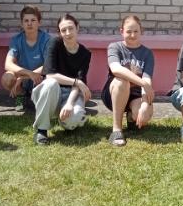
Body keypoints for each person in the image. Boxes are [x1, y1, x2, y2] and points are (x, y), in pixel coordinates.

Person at [32, 14, 92, 145]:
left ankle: (64, 119)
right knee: (50, 83)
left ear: (77, 28)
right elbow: (50, 75)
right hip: (51, 93)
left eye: (71, 28)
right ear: (59, 32)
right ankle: (42, 130)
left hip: (71, 93)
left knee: (74, 119)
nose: (68, 33)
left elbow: (78, 84)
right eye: (63, 30)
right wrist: (77, 81)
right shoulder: (54, 43)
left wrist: (70, 103)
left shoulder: (85, 53)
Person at [101, 15, 154, 147]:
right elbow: (116, 69)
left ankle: (131, 117)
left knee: (145, 114)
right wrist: (142, 83)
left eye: (136, 31)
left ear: (141, 31)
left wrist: (144, 105)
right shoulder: (115, 47)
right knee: (122, 80)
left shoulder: (147, 53)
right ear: (122, 31)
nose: (132, 35)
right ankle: (117, 130)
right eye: (129, 31)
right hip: (115, 92)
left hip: (135, 94)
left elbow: (147, 79)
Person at [1, 6, 48, 112]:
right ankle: (20, 95)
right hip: (24, 78)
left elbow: (49, 65)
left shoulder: (47, 39)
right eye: (26, 21)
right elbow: (8, 64)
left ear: (39, 23)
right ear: (22, 24)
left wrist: (25, 77)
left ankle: (34, 96)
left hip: (40, 78)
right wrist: (28, 74)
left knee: (49, 81)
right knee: (7, 77)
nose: (29, 23)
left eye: (33, 20)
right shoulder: (16, 40)